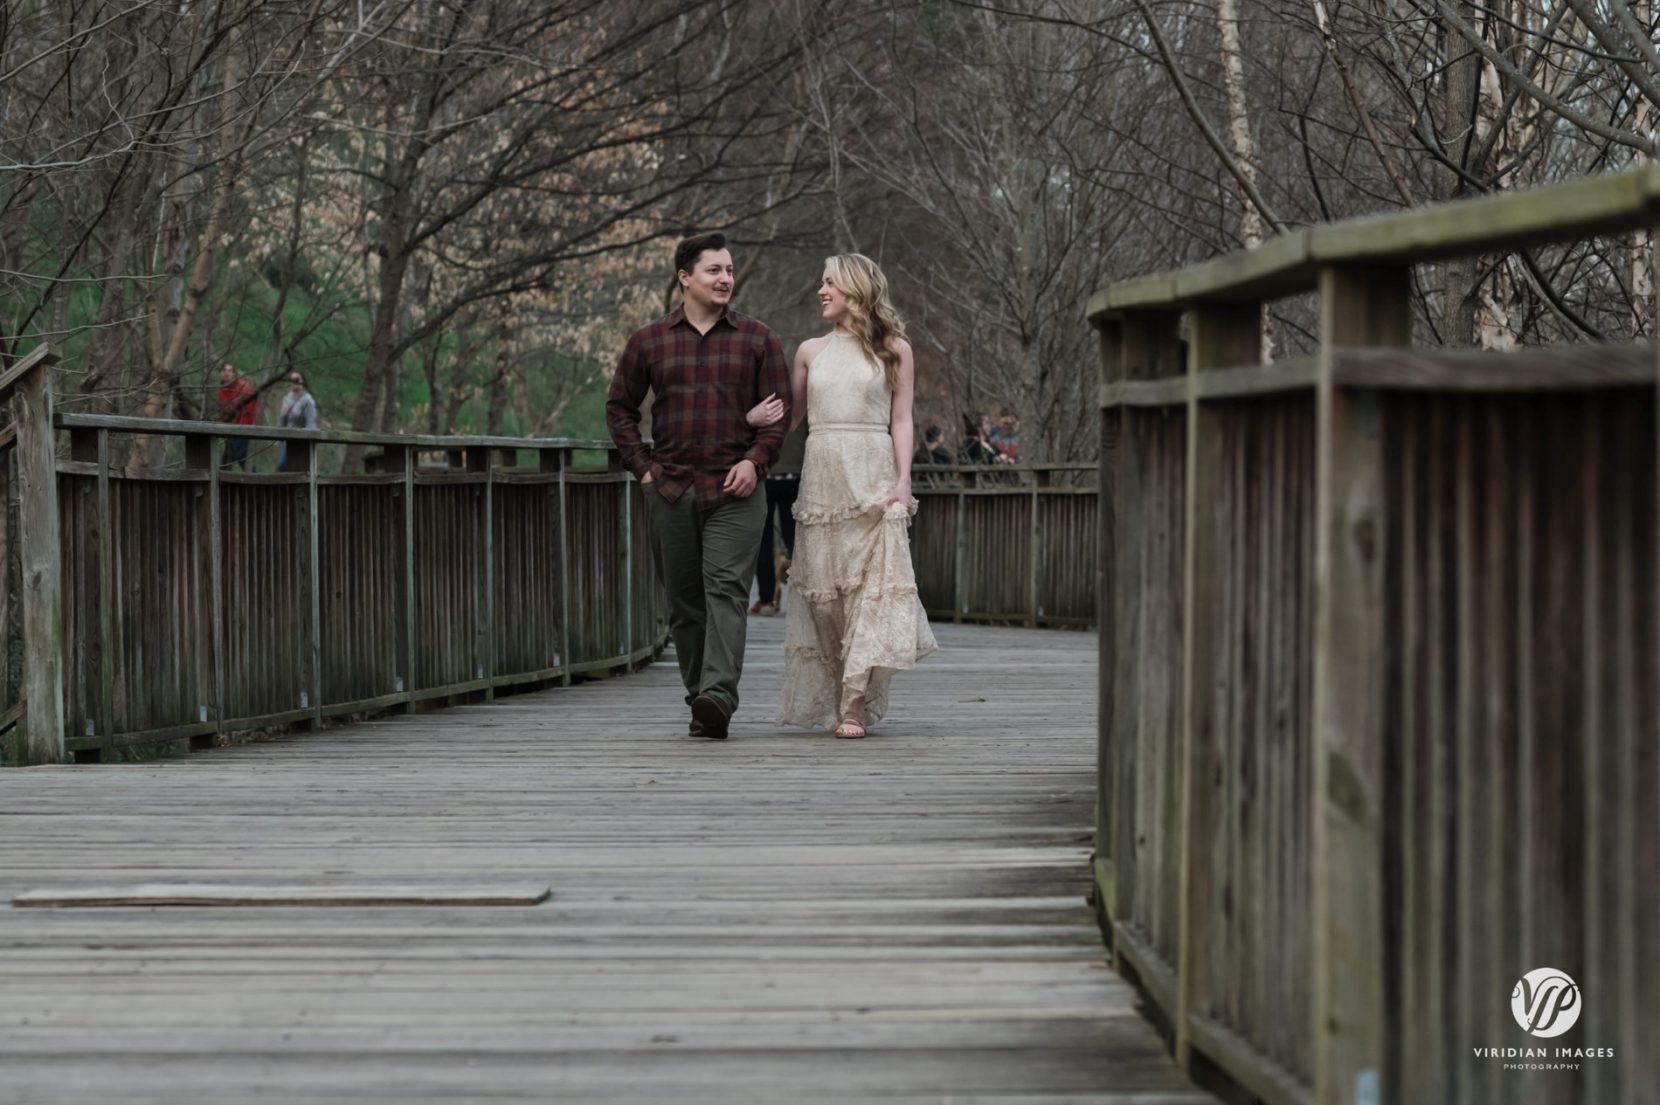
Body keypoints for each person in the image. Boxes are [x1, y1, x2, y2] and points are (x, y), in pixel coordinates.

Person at [606, 232, 790, 741]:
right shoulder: (649, 341)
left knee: (726, 592)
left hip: (735, 489)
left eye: (729, 270)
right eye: (714, 270)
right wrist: (642, 470)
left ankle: (719, 695)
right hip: (670, 488)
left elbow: (779, 416)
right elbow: (620, 409)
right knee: (684, 602)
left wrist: (755, 460)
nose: (725, 278)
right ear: (684, 277)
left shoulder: (758, 339)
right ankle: (700, 697)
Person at [766, 253, 937, 738]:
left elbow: (901, 419)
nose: (821, 291)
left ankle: (855, 704)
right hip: (822, 475)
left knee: (870, 589)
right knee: (824, 593)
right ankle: (838, 687)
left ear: (855, 290)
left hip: (873, 472)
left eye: (829, 283)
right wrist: (751, 437)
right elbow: (792, 419)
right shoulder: (809, 352)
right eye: (821, 283)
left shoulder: (895, 349)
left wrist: (903, 479)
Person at [745, 417, 806, 616]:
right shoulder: (804, 393)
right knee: (797, 541)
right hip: (795, 475)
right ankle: (803, 598)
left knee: (763, 541)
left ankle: (766, 600)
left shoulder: (763, 398)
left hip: (765, 474)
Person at [215, 362, 256, 471]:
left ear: (234, 374)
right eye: (223, 370)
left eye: (229, 370)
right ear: (220, 373)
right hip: (229, 430)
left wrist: (241, 427)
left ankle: (223, 483)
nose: (226, 373)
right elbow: (222, 412)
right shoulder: (220, 391)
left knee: (230, 458)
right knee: (242, 458)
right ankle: (257, 482)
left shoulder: (243, 387)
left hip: (242, 429)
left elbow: (249, 410)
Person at [276, 371, 317, 472]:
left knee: (298, 468)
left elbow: (310, 421)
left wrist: (309, 438)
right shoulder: (286, 399)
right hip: (287, 438)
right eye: (292, 380)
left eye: (297, 380)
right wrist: (278, 438)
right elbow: (282, 420)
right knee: (282, 466)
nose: (294, 383)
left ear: (302, 381)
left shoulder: (307, 400)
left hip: (301, 439)